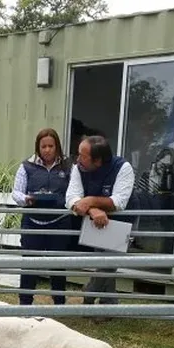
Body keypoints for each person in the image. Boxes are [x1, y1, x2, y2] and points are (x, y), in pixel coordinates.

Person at [64, 135, 135, 315]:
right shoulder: (78, 168)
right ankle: (109, 306)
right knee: (103, 261)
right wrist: (92, 210)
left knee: (109, 262)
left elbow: (119, 201)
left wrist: (89, 201)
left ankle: (90, 291)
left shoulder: (123, 168)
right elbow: (71, 198)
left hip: (122, 221)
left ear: (98, 160)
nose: (78, 159)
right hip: (96, 221)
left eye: (82, 155)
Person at [12, 128, 75, 305]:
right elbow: (16, 192)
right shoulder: (26, 166)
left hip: (59, 223)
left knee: (58, 265)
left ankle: (59, 304)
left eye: (51, 146)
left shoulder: (69, 167)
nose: (47, 150)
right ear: (38, 147)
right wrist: (27, 198)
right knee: (29, 265)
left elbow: (75, 191)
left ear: (57, 147)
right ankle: (24, 304)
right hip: (32, 223)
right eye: (43, 146)